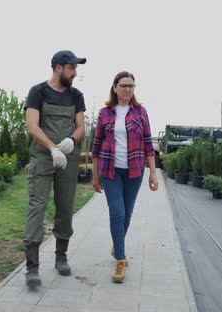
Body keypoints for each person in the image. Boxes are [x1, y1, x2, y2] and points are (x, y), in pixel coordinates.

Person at [23, 50, 87, 287]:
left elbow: (81, 127)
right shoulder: (38, 92)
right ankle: (32, 267)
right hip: (43, 156)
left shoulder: (76, 95)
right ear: (59, 67)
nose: (75, 72)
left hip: (68, 159)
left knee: (65, 207)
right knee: (37, 207)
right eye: (72, 68)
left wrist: (71, 139)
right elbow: (32, 125)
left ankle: (61, 257)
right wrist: (51, 148)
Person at [91, 71, 158, 283]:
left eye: (131, 86)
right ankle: (120, 260)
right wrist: (95, 175)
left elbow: (148, 144)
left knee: (127, 214)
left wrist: (153, 173)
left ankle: (116, 246)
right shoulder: (105, 113)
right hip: (110, 170)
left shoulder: (140, 112)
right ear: (115, 87)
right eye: (124, 85)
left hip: (134, 171)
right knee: (117, 213)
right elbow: (96, 145)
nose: (128, 89)